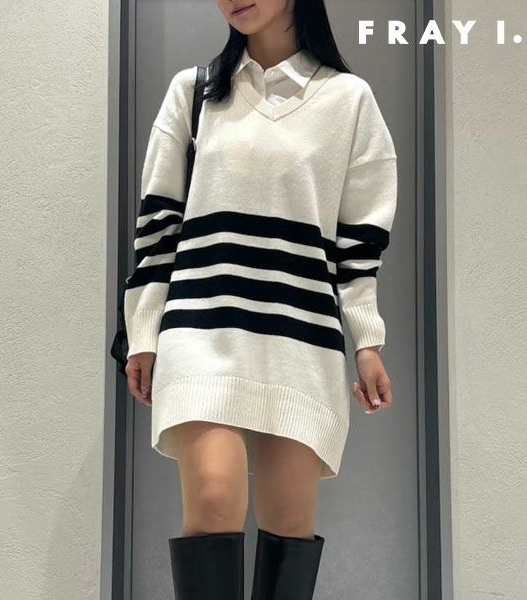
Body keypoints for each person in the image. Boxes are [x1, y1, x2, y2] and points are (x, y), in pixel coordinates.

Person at [123, 0, 397, 598]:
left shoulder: (348, 100)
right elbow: (158, 225)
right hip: (200, 328)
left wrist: (367, 340)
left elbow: (360, 244)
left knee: (289, 526)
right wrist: (143, 332)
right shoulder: (194, 93)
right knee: (213, 499)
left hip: (301, 335)